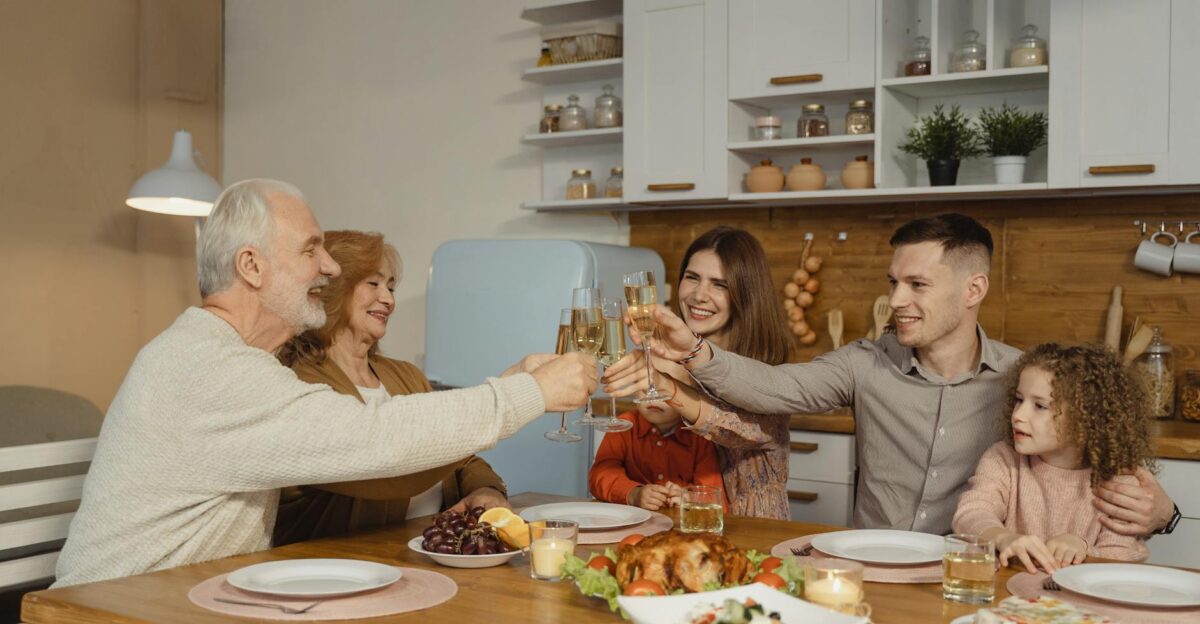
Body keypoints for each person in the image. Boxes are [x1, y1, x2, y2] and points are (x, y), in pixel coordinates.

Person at [53, 179, 597, 587]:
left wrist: (509, 384)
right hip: (111, 610)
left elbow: (381, 432)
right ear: (251, 266)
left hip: (173, 600)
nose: (331, 267)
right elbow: (370, 439)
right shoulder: (208, 369)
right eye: (310, 249)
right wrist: (530, 393)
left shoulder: (228, 359)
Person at [639, 213, 1175, 537]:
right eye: (894, 282)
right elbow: (774, 387)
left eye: (917, 285)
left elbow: (1097, 467)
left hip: (975, 579)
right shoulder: (864, 362)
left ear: (973, 290)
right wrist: (693, 350)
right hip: (871, 569)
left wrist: (1163, 511)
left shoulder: (1025, 381)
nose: (896, 300)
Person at [272, 230, 509, 546]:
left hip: (425, 560)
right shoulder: (300, 383)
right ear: (332, 288)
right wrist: (510, 397)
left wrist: (486, 490)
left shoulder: (405, 375)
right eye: (374, 283)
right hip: (340, 570)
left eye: (391, 287)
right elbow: (385, 465)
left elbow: (461, 457)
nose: (389, 299)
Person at [607, 227, 794, 519]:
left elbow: (737, 428)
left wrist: (667, 387)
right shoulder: (667, 355)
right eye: (692, 277)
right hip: (683, 531)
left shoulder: (768, 371)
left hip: (753, 533)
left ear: (745, 294)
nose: (699, 295)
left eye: (720, 284)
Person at [953, 344, 1154, 572]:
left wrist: (1083, 548)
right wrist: (1002, 537)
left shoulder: (1119, 482)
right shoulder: (1003, 459)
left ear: (1086, 419)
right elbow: (972, 513)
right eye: (1019, 400)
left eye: (1040, 406)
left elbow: (1121, 558)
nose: (1018, 415)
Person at [588, 398, 725, 512]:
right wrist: (633, 494)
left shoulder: (700, 435)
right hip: (631, 521)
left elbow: (714, 493)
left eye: (663, 391)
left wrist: (690, 498)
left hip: (681, 527)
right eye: (643, 389)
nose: (652, 398)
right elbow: (600, 475)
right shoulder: (623, 425)